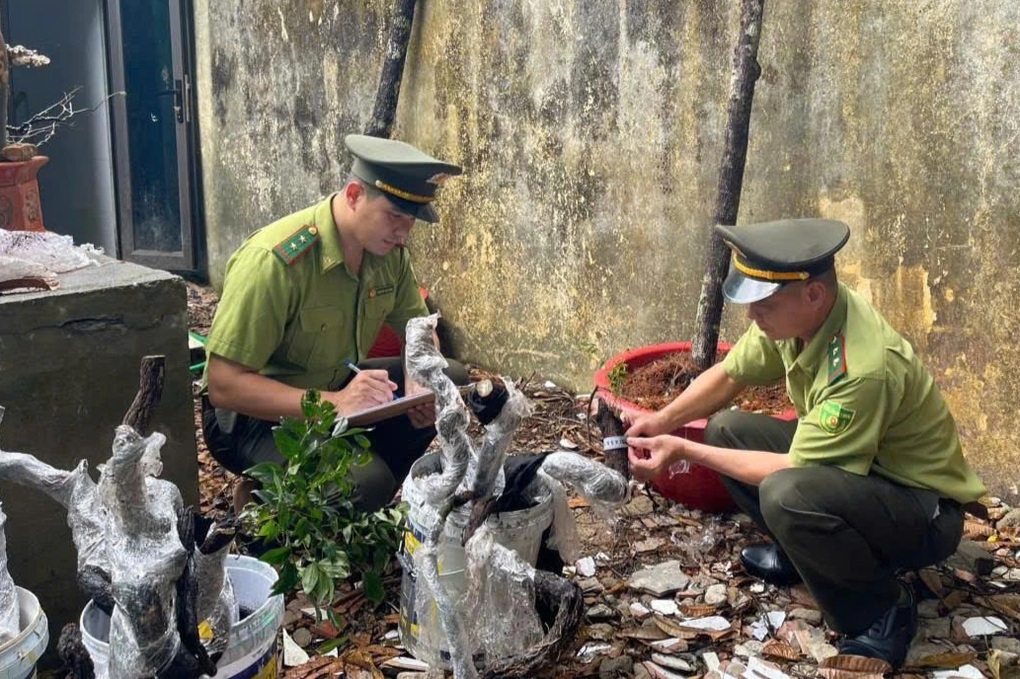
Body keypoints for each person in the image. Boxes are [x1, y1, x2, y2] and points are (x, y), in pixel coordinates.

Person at [624, 218, 986, 669]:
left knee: (785, 493)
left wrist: (682, 450)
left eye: (763, 305)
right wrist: (660, 422)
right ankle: (807, 557)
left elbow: (789, 468)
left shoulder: (862, 367)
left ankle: (880, 609)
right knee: (726, 429)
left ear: (812, 294)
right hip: (865, 474)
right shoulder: (801, 319)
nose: (753, 315)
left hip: (922, 511)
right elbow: (732, 374)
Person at [201, 134, 468, 514]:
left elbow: (420, 331)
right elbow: (224, 386)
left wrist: (419, 380)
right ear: (355, 195)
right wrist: (336, 404)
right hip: (251, 418)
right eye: (394, 216)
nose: (402, 232)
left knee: (447, 379)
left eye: (410, 220)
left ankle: (356, 496)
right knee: (365, 483)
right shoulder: (276, 262)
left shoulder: (387, 253)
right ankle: (267, 509)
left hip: (335, 386)